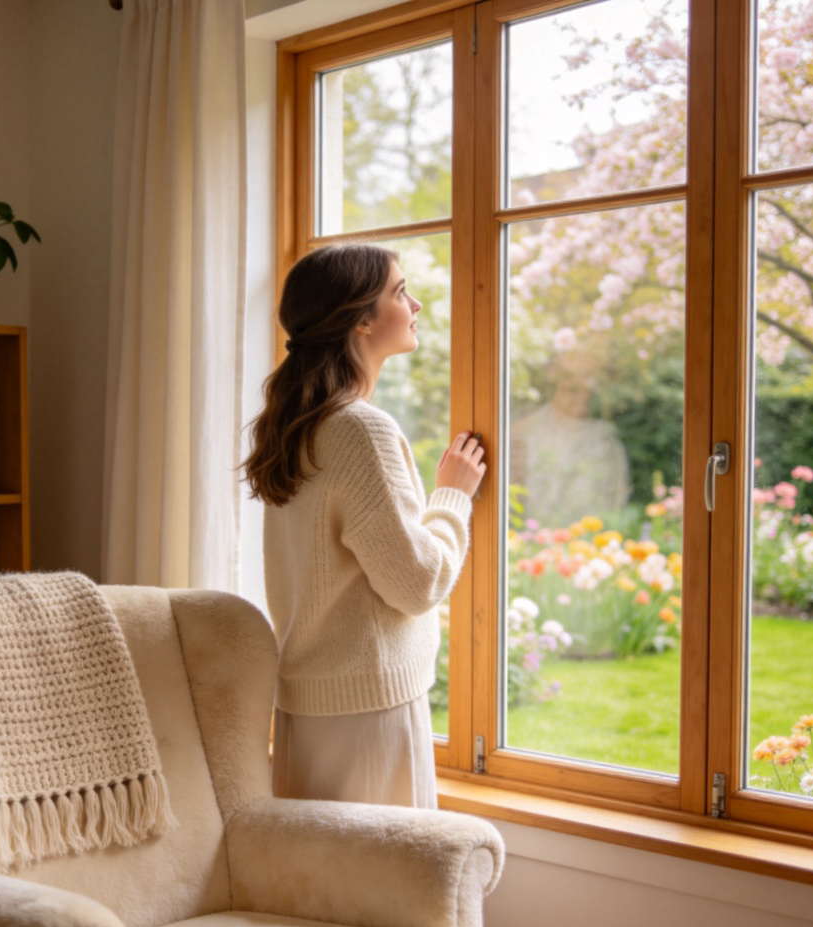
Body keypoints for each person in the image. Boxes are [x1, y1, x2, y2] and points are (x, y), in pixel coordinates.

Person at [242, 243, 485, 809]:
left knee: (321, 889)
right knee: (387, 889)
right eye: (400, 292)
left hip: (309, 707)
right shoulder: (359, 431)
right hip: (367, 710)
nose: (416, 303)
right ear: (360, 319)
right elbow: (417, 582)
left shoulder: (298, 425)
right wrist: (453, 494)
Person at [509, 350, 629, 526]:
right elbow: (512, 492)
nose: (583, 397)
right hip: (532, 539)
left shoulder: (605, 439)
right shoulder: (524, 430)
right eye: (573, 390)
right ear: (556, 387)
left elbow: (617, 496)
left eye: (589, 391)